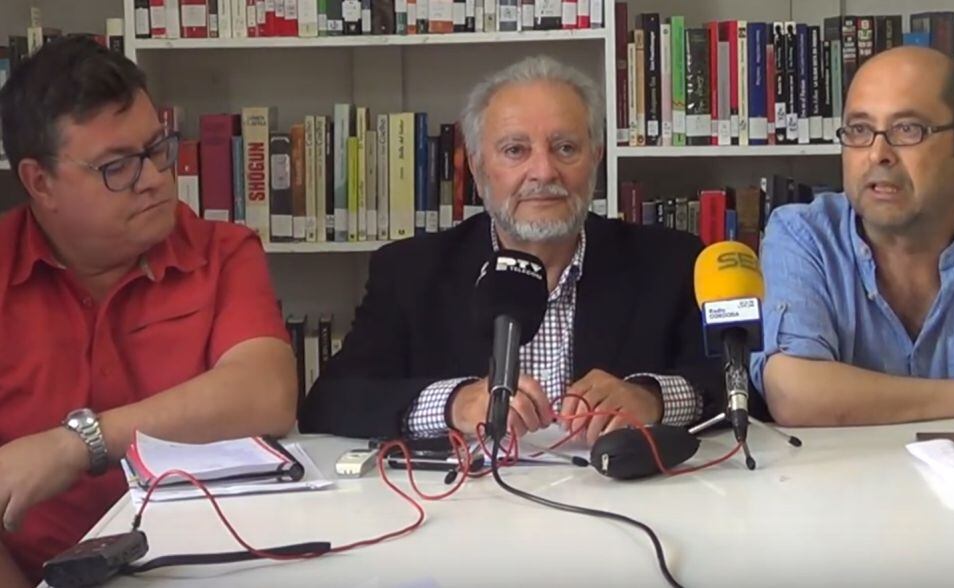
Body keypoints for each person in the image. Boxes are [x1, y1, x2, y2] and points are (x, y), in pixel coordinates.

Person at [299, 56, 721, 444]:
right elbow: (332, 401)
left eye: (565, 148)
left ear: (595, 158)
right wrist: (455, 404)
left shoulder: (669, 261)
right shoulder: (411, 271)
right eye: (515, 150)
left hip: (622, 500)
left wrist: (654, 399)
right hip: (468, 508)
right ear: (480, 168)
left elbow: (736, 386)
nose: (543, 171)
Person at [0, 36, 297, 586]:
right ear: (40, 183)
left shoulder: (222, 251)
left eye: (157, 148)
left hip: (207, 570)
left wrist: (78, 445)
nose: (157, 178)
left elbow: (266, 394)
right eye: (118, 167)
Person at [752, 46, 954, 436]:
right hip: (840, 488)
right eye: (859, 130)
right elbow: (794, 392)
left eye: (908, 130)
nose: (877, 154)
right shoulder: (803, 235)